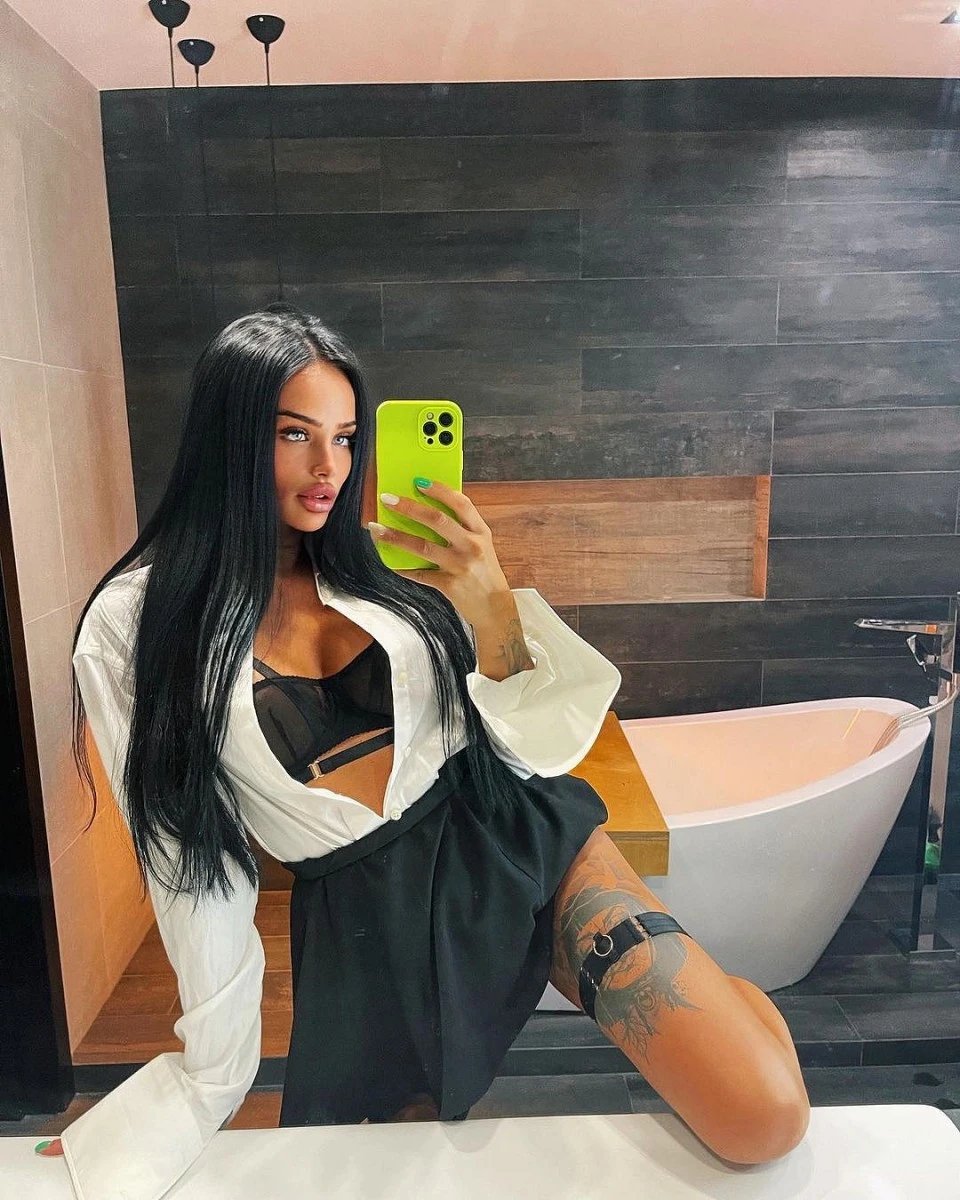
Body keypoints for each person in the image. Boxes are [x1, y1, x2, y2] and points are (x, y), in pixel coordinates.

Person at [51, 303, 809, 1198]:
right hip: (369, 928)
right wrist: (203, 1081)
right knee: (393, 1179)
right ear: (229, 435)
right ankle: (724, 1013)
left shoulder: (392, 560)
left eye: (344, 438)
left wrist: (487, 599)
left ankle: (734, 1013)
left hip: (510, 838)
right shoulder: (138, 626)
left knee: (762, 1117)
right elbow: (191, 865)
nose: (330, 468)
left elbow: (533, 742)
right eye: (295, 435)